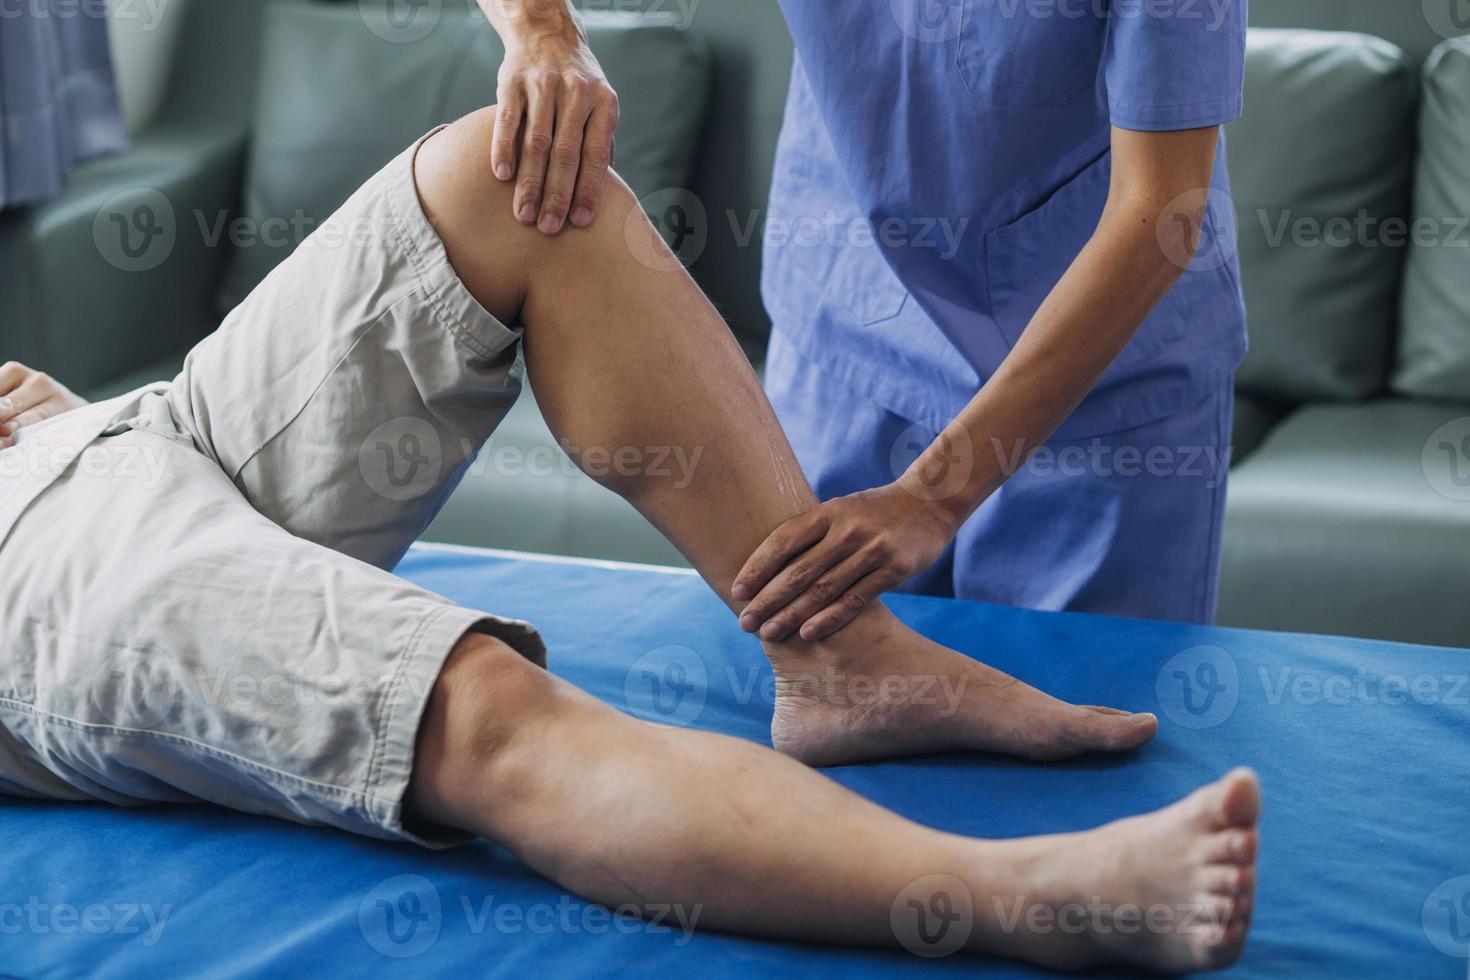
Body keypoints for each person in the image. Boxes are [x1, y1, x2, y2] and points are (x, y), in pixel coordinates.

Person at [0, 109, 1258, 971]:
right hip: (28, 567)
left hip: (105, 439)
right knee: (486, 699)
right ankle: (1033, 897)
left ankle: (841, 658)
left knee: (519, 174)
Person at [476, 0, 1249, 643]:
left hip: (1094, 385)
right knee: (822, 721)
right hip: (847, 332)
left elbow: (1161, 213)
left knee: (1085, 768)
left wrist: (937, 495)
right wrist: (542, 31)